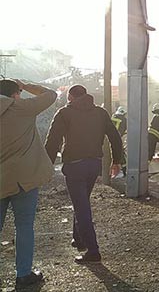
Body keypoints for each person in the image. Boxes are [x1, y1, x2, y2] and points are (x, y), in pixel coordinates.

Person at [44, 84, 124, 263]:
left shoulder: (64, 113)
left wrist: (46, 166)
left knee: (81, 207)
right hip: (94, 165)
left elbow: (52, 142)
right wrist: (116, 161)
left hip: (74, 166)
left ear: (70, 97)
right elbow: (115, 138)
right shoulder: (101, 113)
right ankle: (78, 238)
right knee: (81, 201)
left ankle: (93, 251)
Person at [0, 79, 56, 287]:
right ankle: (23, 274)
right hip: (24, 180)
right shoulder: (22, 107)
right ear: (16, 94)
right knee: (24, 227)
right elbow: (51, 94)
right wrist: (26, 85)